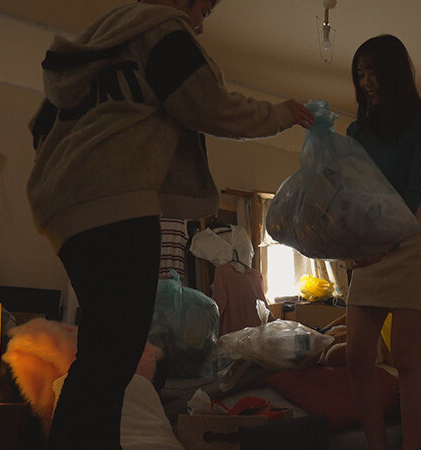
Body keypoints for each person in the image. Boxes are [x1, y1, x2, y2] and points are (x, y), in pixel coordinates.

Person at [27, 0, 314, 448]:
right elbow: (211, 107)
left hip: (62, 206)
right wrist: (282, 114)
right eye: (203, 11)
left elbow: (40, 127)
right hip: (115, 203)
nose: (198, 24)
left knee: (103, 354)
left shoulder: (98, 44)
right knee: (113, 358)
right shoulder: (164, 33)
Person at [344, 34, 421, 450]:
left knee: (404, 355)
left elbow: (412, 194)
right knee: (356, 357)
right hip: (371, 243)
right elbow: (351, 191)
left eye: (373, 72)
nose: (366, 82)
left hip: (410, 238)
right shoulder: (356, 131)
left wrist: (384, 241)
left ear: (393, 73)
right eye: (360, 74)